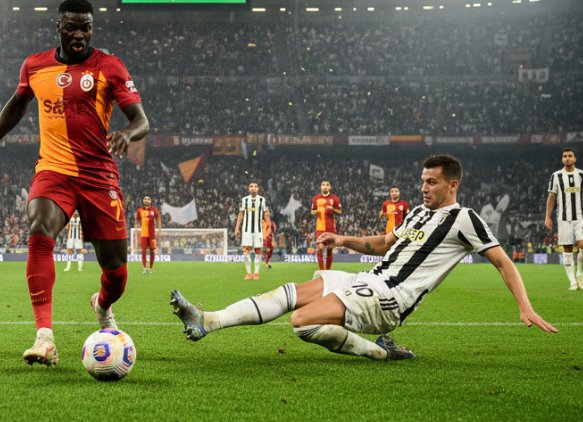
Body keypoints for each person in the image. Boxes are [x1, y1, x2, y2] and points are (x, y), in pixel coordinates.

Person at [170, 155, 557, 361]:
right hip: (367, 278)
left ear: (452, 185)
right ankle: (208, 320)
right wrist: (342, 239)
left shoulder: (465, 219)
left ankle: (377, 350)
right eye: (422, 180)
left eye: (432, 182)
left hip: (391, 299)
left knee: (302, 322)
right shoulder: (417, 213)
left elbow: (503, 261)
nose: (423, 187)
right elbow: (383, 244)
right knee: (291, 292)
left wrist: (525, 306)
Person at [0, 0, 149, 366]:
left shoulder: (110, 66)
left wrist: (127, 134)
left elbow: (141, 120)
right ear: (59, 28)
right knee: (39, 227)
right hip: (54, 169)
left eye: (86, 28)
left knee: (116, 273)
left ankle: (102, 305)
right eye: (72, 27)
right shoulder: (35, 65)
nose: (79, 34)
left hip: (98, 176)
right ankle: (44, 337)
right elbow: (16, 105)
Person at [544, 148, 583, 291]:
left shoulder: (582, 174)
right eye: (565, 156)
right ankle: (572, 281)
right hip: (563, 218)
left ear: (575, 159)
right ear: (562, 159)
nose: (567, 158)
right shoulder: (556, 176)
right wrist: (547, 217)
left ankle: (580, 274)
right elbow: (551, 197)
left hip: (581, 217)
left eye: (570, 156)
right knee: (567, 248)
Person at [235, 182, 269, 281]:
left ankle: (256, 273)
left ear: (258, 189)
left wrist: (269, 227)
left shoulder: (262, 200)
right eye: (251, 186)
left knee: (258, 250)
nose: (253, 188)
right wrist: (237, 227)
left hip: (258, 230)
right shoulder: (244, 200)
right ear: (248, 189)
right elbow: (241, 214)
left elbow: (266, 214)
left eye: (255, 186)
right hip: (247, 230)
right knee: (246, 251)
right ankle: (249, 273)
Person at [311, 180, 341, 270]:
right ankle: (322, 271)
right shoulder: (316, 198)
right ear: (321, 187)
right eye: (323, 185)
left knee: (329, 250)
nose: (325, 186)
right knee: (319, 249)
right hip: (320, 228)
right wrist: (316, 211)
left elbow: (340, 212)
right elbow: (312, 211)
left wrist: (332, 209)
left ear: (330, 187)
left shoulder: (334, 198)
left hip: (330, 228)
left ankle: (327, 271)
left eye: (327, 185)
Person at [135, 196, 161, 274]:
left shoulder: (154, 210)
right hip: (143, 234)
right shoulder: (140, 210)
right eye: (145, 199)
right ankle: (144, 268)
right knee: (143, 251)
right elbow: (137, 221)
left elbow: (158, 218)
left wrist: (159, 229)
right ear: (143, 201)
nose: (146, 200)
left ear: (151, 201)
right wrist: (136, 230)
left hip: (152, 235)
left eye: (148, 199)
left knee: (152, 251)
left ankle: (150, 268)